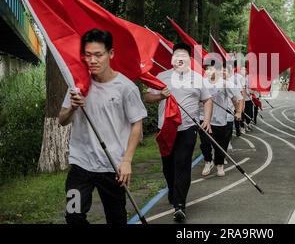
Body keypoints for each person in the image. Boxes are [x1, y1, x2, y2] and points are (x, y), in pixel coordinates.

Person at [59, 29, 147, 224]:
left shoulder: (126, 87)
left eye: (98, 55)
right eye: (88, 55)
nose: (92, 60)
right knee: (73, 215)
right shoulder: (77, 85)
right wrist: (72, 107)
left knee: (116, 219)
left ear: (111, 54)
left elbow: (136, 123)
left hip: (112, 165)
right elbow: (62, 119)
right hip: (80, 164)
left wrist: (127, 161)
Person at [144, 43, 213, 222]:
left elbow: (207, 100)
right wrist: (160, 96)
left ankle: (180, 205)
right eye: (177, 55)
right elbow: (148, 97)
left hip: (188, 128)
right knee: (168, 166)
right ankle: (173, 190)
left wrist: (206, 119)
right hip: (165, 128)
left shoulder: (198, 79)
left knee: (182, 163)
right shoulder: (161, 77)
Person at [199, 59, 243, 177]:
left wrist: (238, 112)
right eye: (207, 68)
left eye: (211, 68)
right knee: (205, 143)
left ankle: (219, 164)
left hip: (219, 120)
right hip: (203, 118)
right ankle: (208, 162)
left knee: (220, 144)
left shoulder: (225, 84)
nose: (208, 71)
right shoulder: (201, 82)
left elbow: (236, 98)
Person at [230, 60, 246, 136]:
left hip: (236, 99)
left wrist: (243, 102)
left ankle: (238, 129)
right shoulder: (224, 76)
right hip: (228, 100)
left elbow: (242, 90)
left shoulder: (238, 77)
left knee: (237, 114)